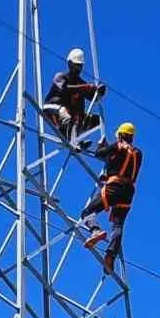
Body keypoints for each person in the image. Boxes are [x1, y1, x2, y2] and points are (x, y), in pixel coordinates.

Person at [80, 122, 143, 274]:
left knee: (87, 212)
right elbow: (119, 160)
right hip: (128, 192)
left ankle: (95, 231)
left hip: (114, 186)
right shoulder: (138, 153)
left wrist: (102, 146)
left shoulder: (118, 146)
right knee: (118, 225)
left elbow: (99, 154)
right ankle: (110, 256)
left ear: (120, 135)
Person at [41, 47, 106, 146]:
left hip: (69, 118)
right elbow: (64, 88)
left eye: (80, 66)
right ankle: (68, 135)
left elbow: (92, 98)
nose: (78, 69)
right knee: (64, 112)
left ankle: (75, 139)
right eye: (76, 66)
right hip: (52, 109)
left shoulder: (81, 83)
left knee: (95, 119)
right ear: (70, 64)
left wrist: (99, 92)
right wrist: (85, 87)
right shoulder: (60, 77)